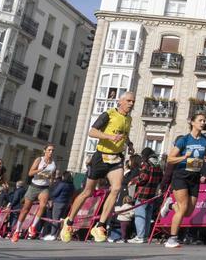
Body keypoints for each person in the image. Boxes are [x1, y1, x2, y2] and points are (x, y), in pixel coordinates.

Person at [61, 91, 135, 243]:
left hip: (116, 158)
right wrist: (109, 136)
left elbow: (124, 134)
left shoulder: (129, 119)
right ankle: (68, 222)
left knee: (116, 189)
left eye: (133, 101)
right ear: (120, 102)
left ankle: (100, 225)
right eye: (128, 100)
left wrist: (129, 144)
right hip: (101, 157)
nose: (131, 104)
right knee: (87, 192)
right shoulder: (108, 114)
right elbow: (92, 132)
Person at [162, 112, 206, 248]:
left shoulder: (205, 141)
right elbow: (170, 158)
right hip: (181, 175)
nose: (202, 123)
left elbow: (205, 155)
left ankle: (170, 205)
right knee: (183, 208)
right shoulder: (184, 140)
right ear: (192, 122)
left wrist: (205, 158)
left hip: (194, 177)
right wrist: (184, 157)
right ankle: (172, 239)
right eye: (200, 120)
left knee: (188, 212)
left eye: (204, 121)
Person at [11, 144, 57, 241]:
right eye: (49, 150)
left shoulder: (53, 164)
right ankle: (17, 230)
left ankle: (32, 226)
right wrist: (40, 170)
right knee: (25, 209)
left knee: (43, 206)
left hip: (44, 187)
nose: (51, 152)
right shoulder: (39, 160)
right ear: (45, 150)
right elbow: (30, 173)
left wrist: (50, 180)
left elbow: (52, 178)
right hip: (34, 186)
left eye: (52, 150)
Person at [127, 147, 162, 243]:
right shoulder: (158, 164)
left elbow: (143, 178)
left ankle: (140, 236)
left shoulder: (146, 164)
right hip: (152, 193)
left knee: (140, 215)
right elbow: (160, 178)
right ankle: (145, 236)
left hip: (143, 193)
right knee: (147, 216)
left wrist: (133, 180)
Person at [42, 171, 74, 240]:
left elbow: (55, 193)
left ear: (64, 177)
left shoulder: (62, 184)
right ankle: (59, 234)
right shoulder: (72, 185)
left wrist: (50, 196)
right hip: (66, 203)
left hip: (58, 203)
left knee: (55, 219)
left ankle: (53, 234)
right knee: (62, 220)